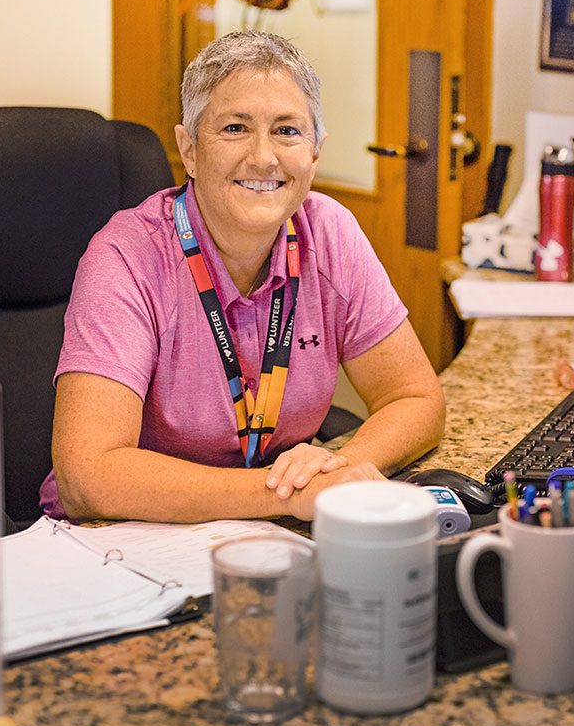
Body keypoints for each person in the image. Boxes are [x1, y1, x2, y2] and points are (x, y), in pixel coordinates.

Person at [40, 31, 444, 523]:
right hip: (123, 544)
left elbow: (416, 397)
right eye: (234, 128)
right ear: (188, 150)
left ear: (315, 153)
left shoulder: (329, 233)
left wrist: (338, 470)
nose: (263, 157)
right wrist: (285, 495)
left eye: (287, 131)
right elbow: (88, 476)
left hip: (266, 532)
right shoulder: (126, 257)